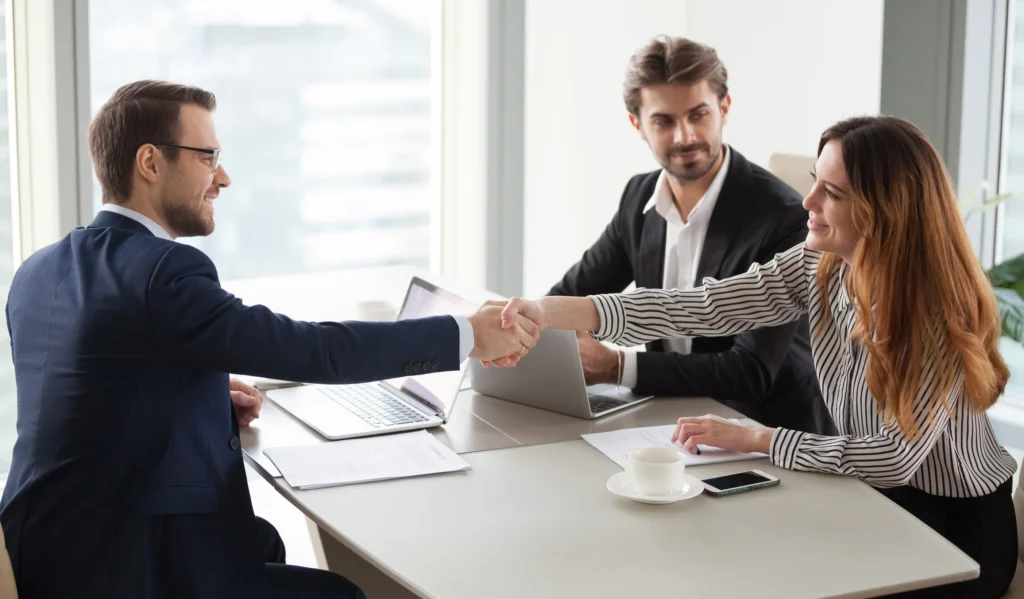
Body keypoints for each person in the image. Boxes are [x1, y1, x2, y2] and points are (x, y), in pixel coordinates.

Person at [0, 80, 540, 599]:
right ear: (149, 162)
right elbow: (310, 349)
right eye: (208, 157)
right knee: (346, 592)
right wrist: (466, 333)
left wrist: (198, 397)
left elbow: (87, 394)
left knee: (268, 543)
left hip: (45, 547)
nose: (224, 177)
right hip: (128, 567)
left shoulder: (38, 270)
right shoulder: (163, 270)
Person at [498, 115, 1018, 598]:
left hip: (954, 529)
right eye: (815, 179)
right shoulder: (823, 265)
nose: (806, 201)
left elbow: (894, 459)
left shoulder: (928, 313)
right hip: (870, 498)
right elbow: (702, 307)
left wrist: (756, 439)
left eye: (830, 192)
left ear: (885, 211)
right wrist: (547, 311)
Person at [547, 35, 833, 435]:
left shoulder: (784, 217)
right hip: (670, 424)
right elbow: (570, 298)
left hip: (767, 434)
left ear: (724, 108)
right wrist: (526, 322)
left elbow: (749, 372)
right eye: (664, 121)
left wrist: (616, 366)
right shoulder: (639, 198)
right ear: (638, 125)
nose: (684, 137)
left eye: (698, 115)